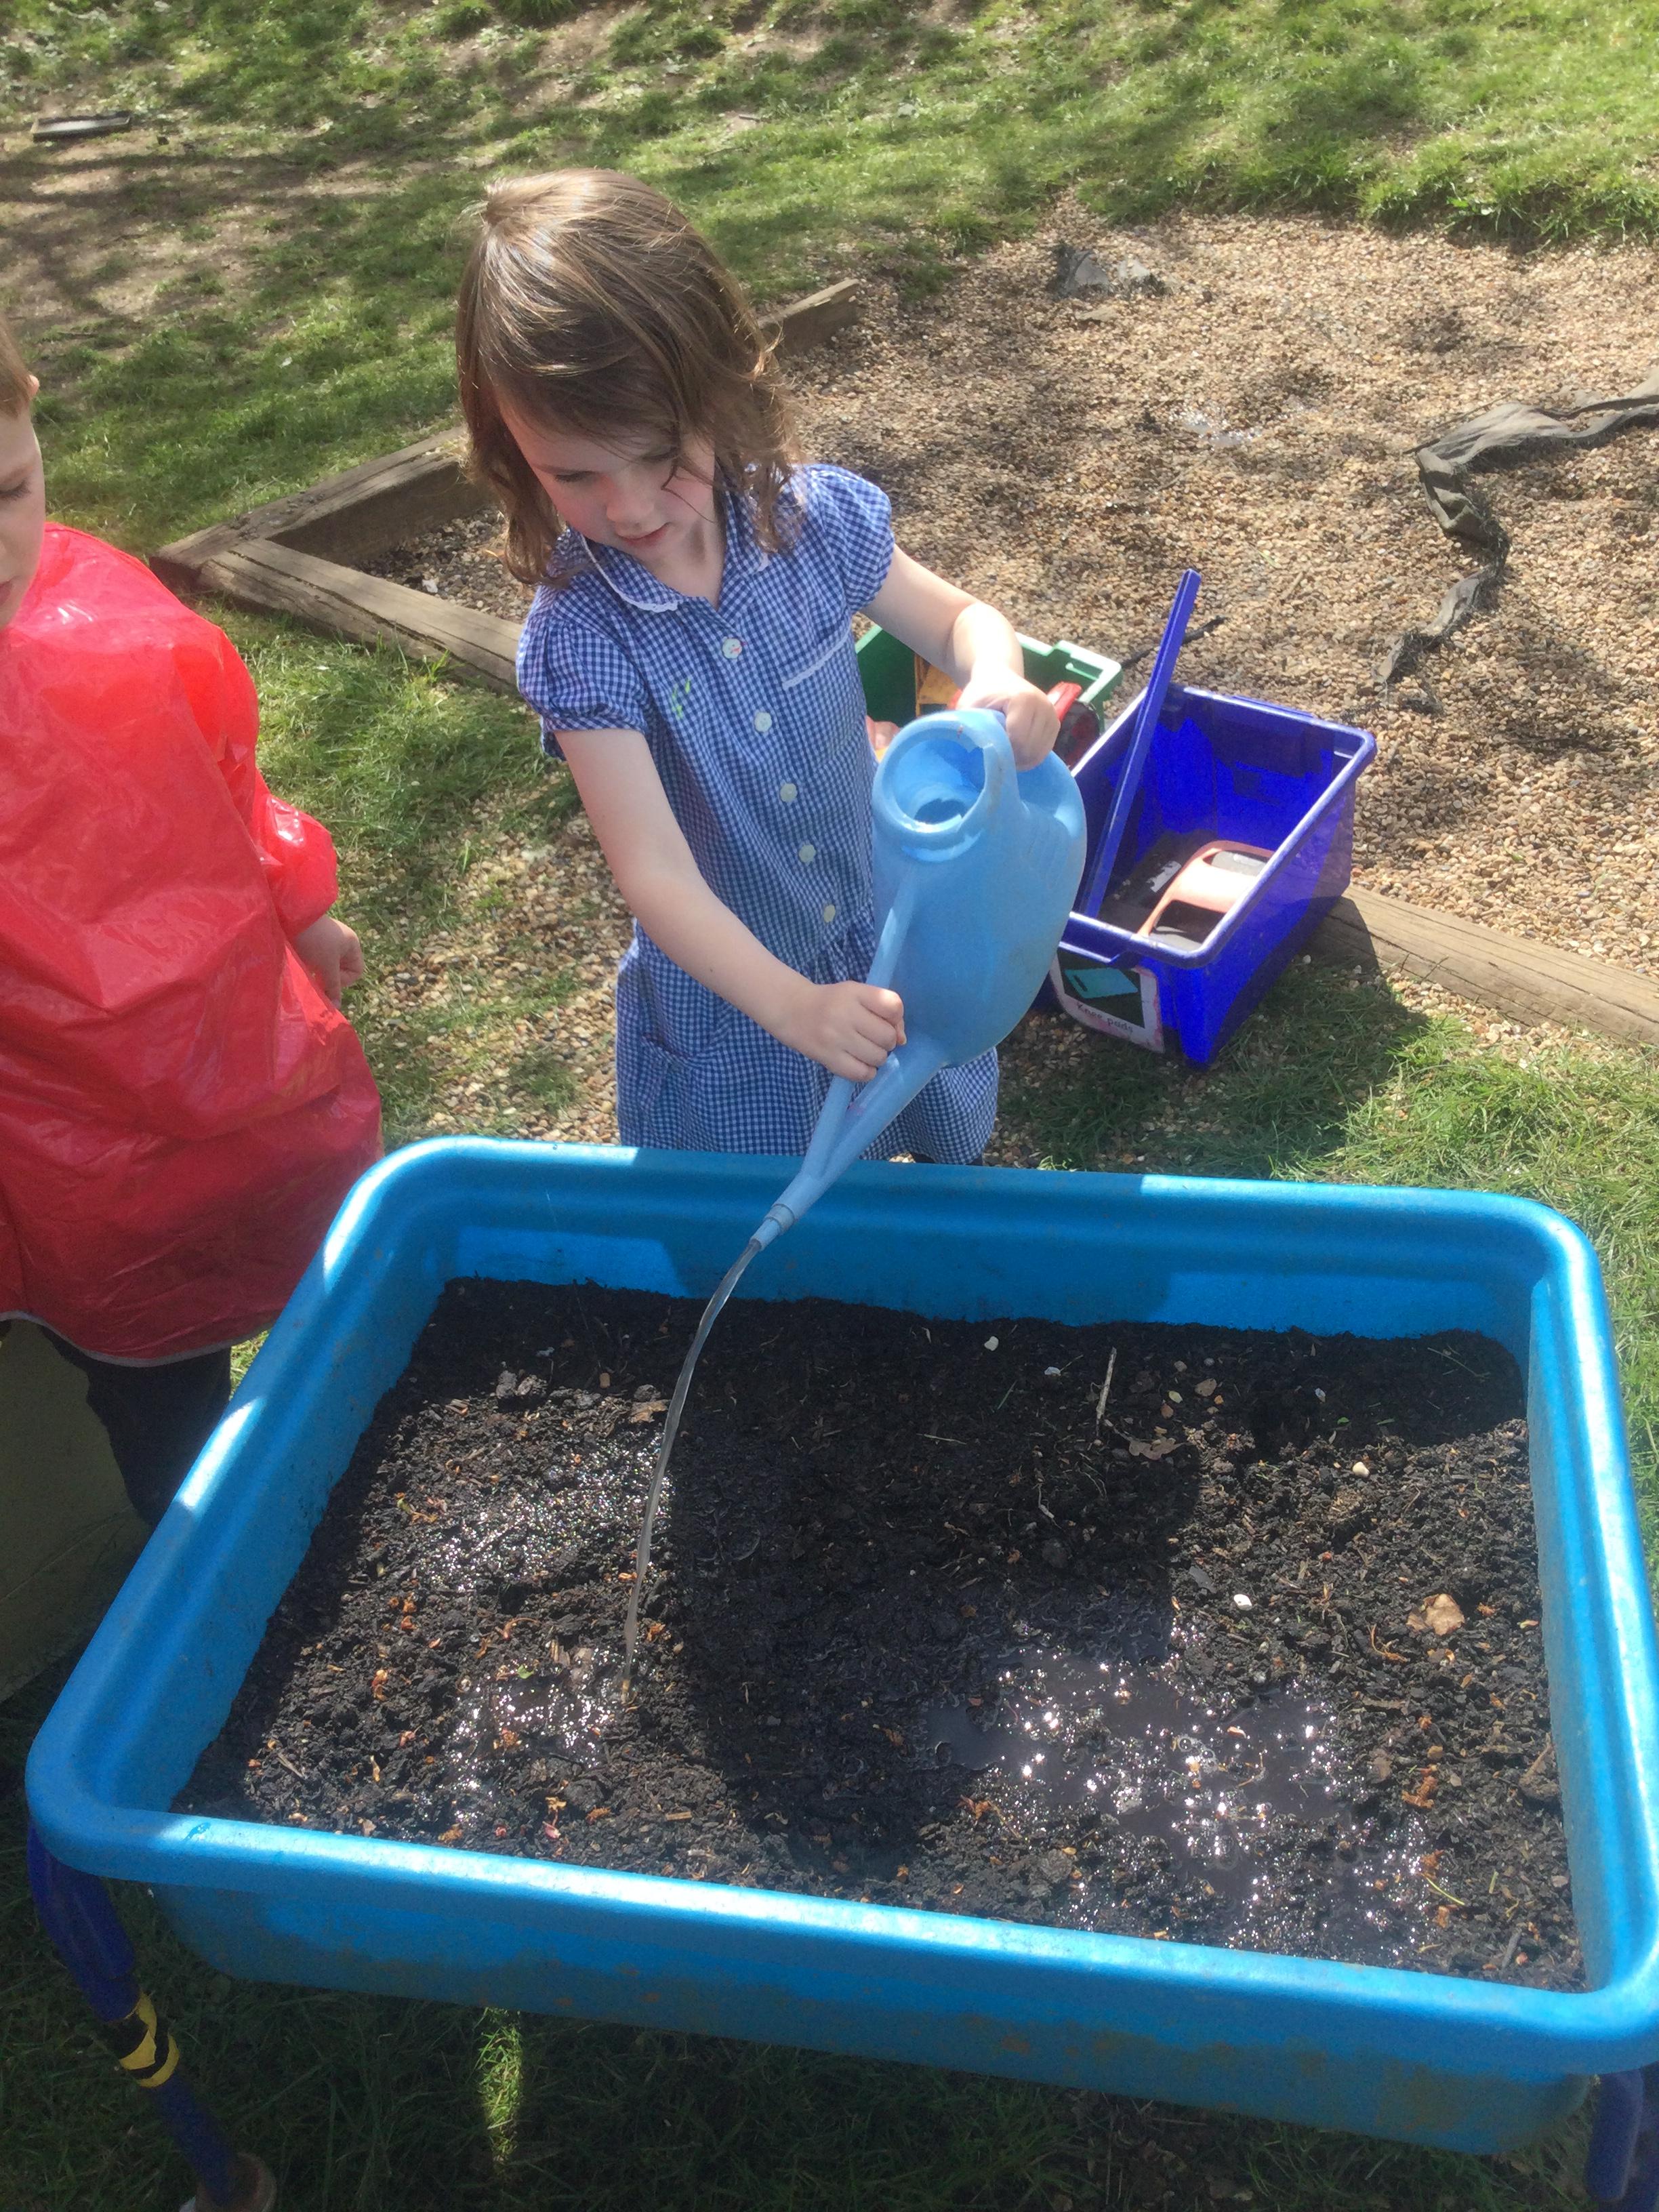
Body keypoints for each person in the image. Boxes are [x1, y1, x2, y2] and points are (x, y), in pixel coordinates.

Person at [456, 170, 1060, 1160]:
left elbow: (960, 621)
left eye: (661, 457)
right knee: (774, 1209)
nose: (630, 508)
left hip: (888, 923)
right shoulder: (583, 638)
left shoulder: (809, 520)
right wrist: (793, 1007)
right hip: (740, 997)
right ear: (508, 443)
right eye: (574, 475)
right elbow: (654, 874)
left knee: (936, 1174)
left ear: (720, 392)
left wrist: (996, 676)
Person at [0, 314, 383, 1525]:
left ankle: (307, 1498)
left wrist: (300, 906)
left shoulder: (105, 615)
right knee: (141, 1382)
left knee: (277, 1304)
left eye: (9, 490)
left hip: (210, 1061)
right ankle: (194, 1544)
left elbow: (227, 775)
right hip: (53, 1132)